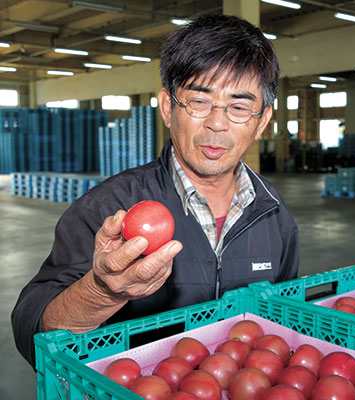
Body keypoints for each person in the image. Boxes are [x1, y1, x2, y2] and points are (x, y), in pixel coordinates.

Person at [12, 14, 299, 368]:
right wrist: (103, 290)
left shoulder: (274, 215)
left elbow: (282, 324)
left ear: (262, 122)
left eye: (239, 107)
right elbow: (32, 330)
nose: (217, 123)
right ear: (167, 107)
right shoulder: (109, 209)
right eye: (199, 101)